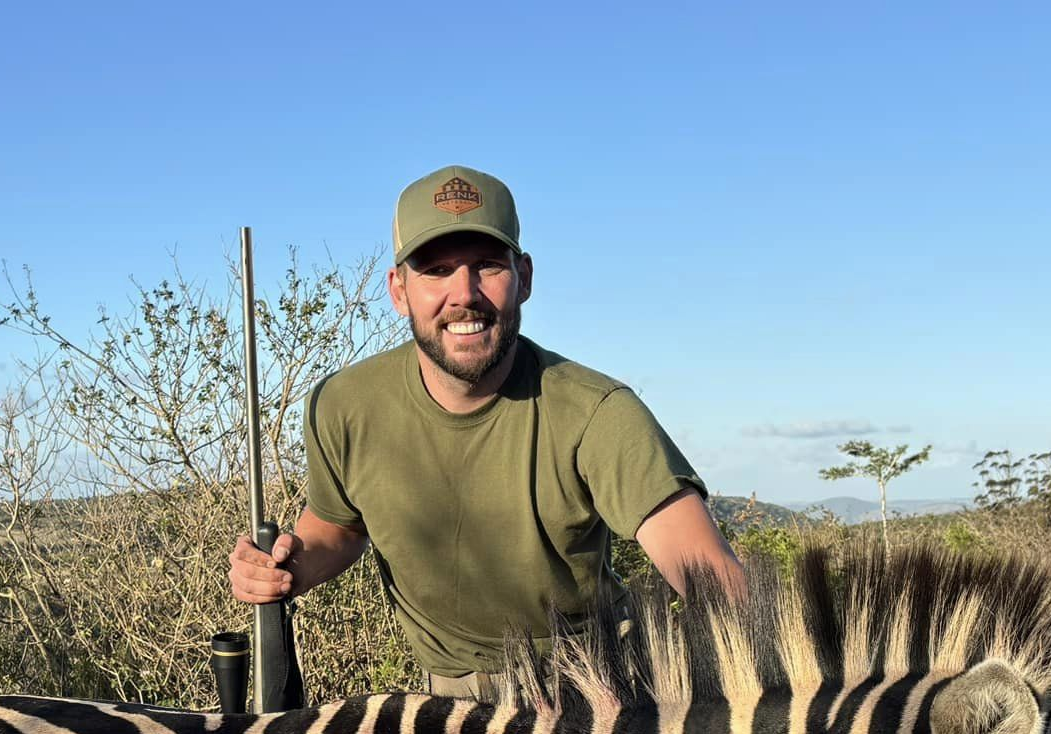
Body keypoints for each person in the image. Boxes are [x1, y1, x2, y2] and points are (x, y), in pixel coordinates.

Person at [227, 165, 743, 699]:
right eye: (436, 269)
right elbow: (336, 530)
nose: (464, 294)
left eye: (488, 265)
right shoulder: (343, 406)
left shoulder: (599, 412)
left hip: (596, 692)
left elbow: (714, 582)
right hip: (444, 708)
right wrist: (284, 568)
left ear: (524, 277)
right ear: (399, 290)